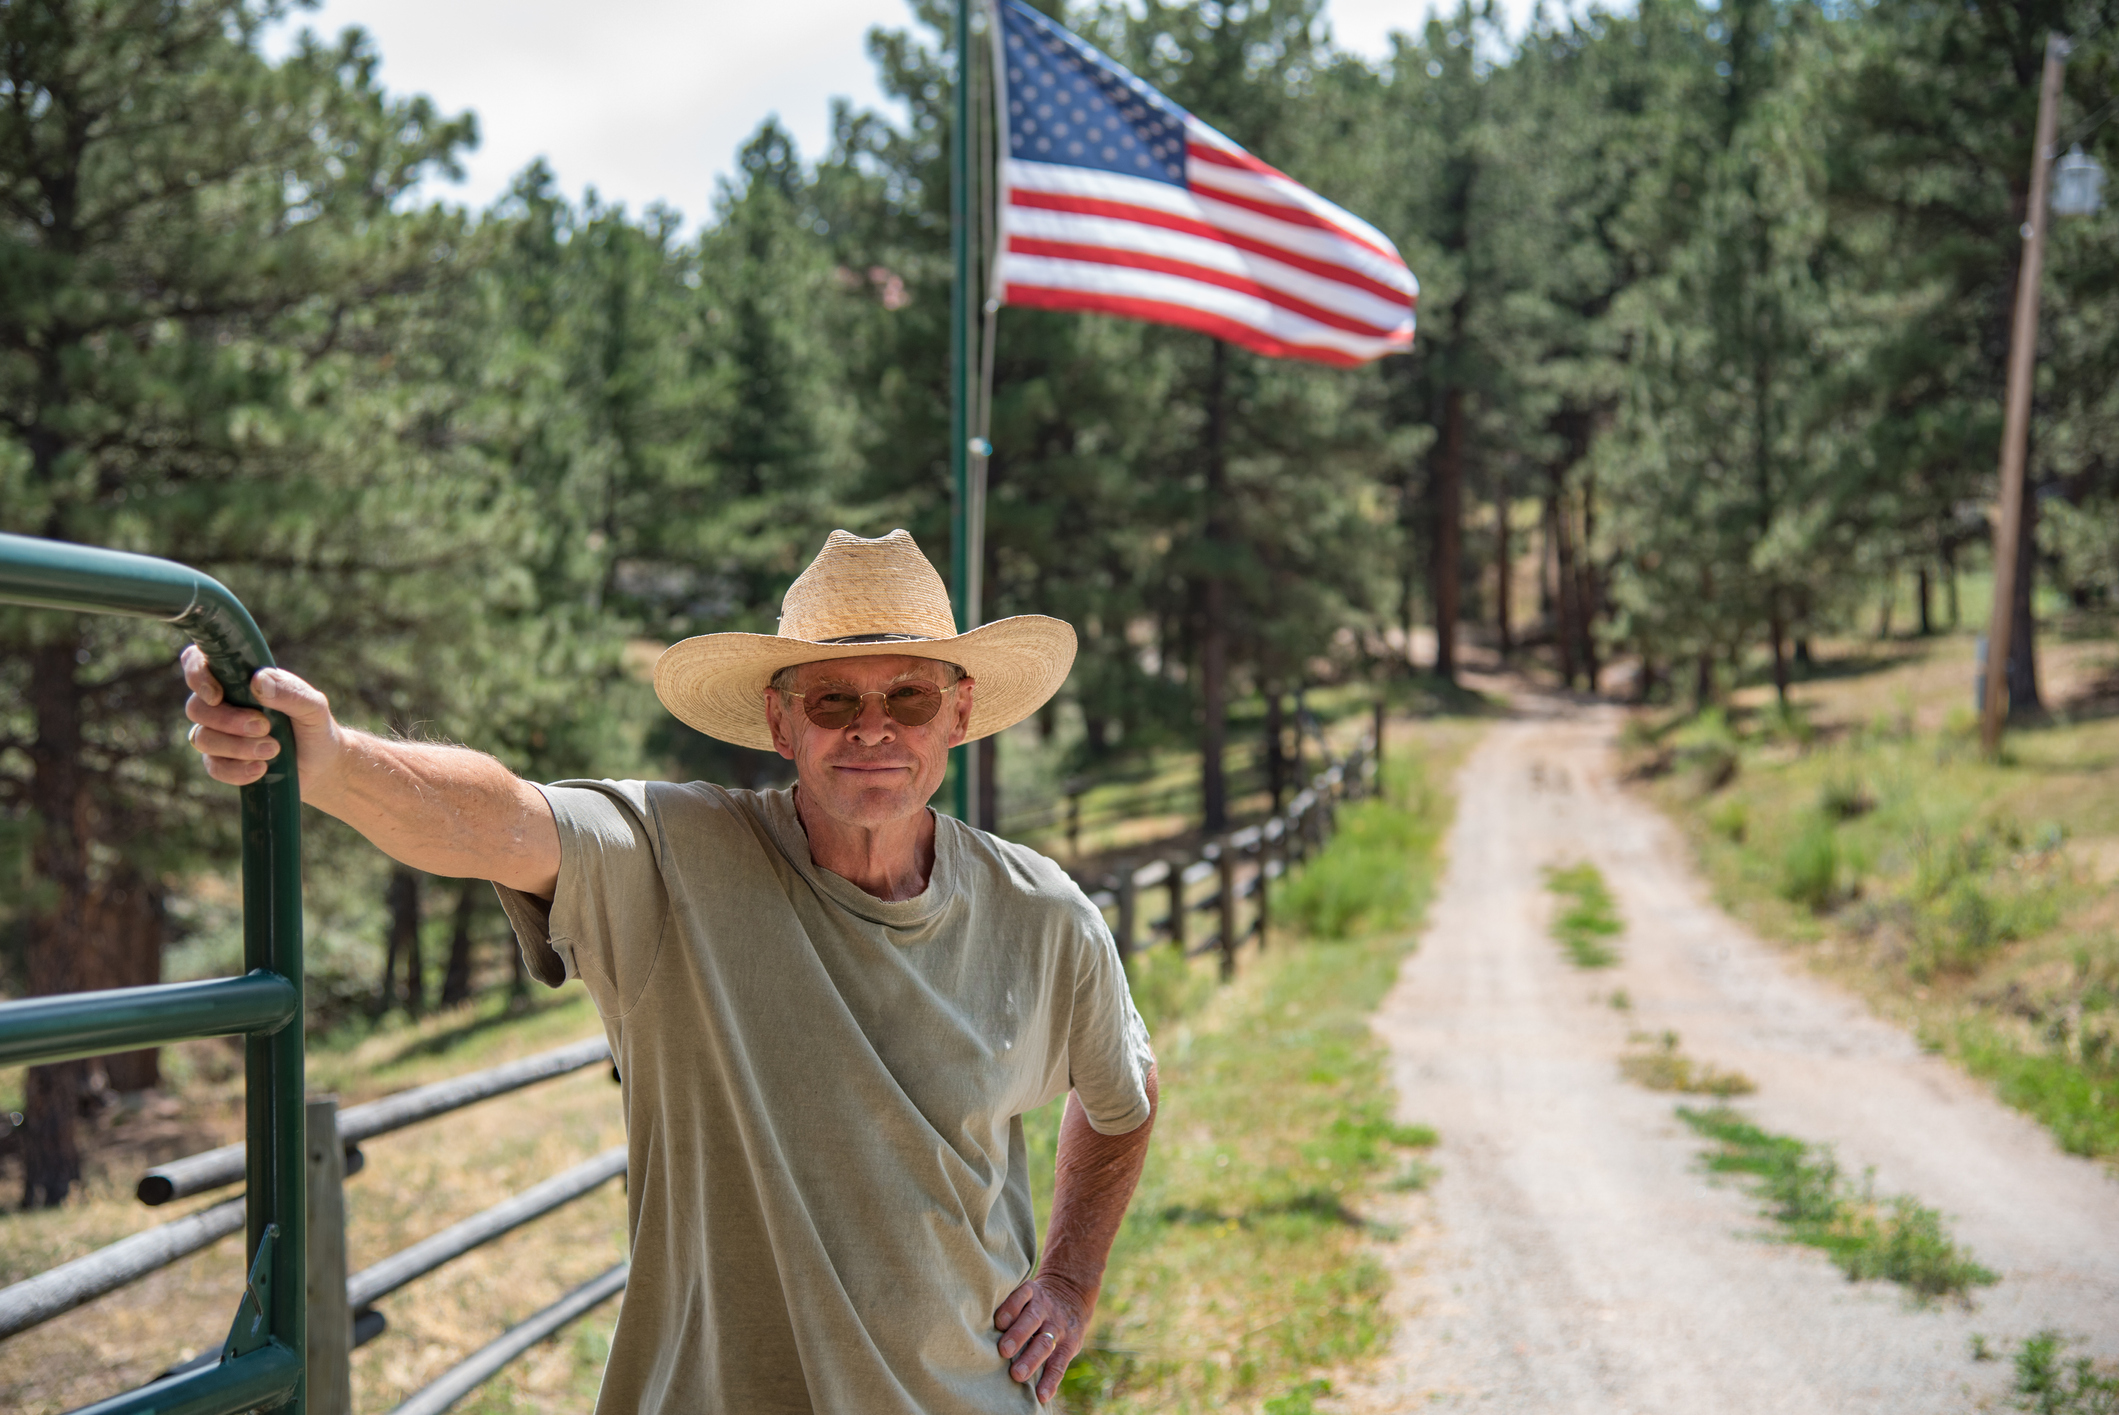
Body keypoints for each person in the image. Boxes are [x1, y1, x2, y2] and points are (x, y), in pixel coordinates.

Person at [182, 529, 1158, 1414]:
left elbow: (1125, 1090)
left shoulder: (1044, 913)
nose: (872, 727)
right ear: (782, 724)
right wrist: (336, 761)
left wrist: (1069, 1279)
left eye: (907, 695)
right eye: (833, 698)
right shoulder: (672, 858)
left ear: (958, 714)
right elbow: (507, 819)